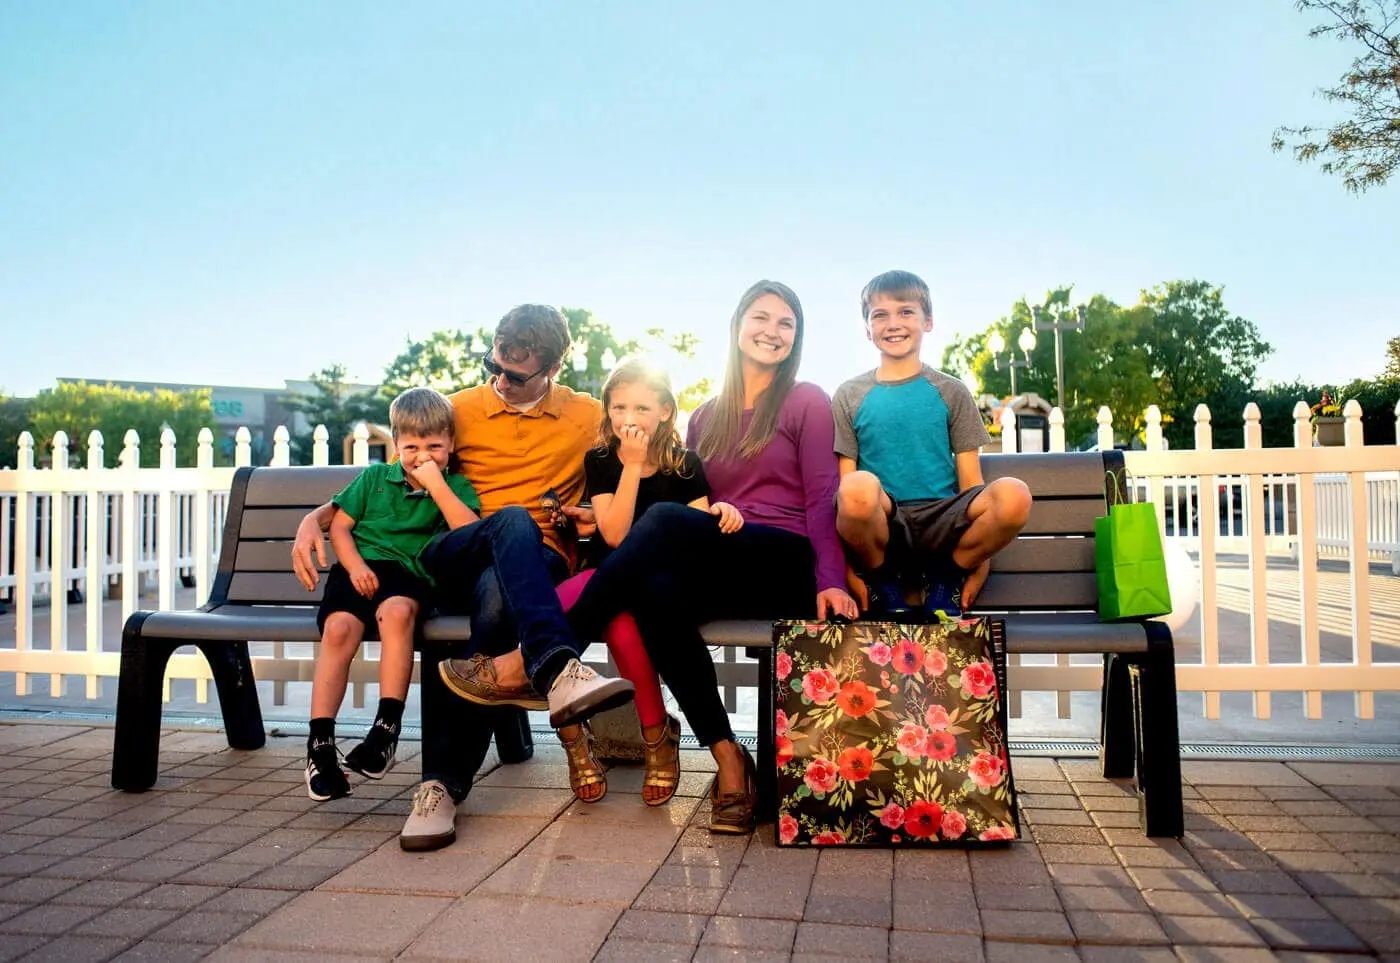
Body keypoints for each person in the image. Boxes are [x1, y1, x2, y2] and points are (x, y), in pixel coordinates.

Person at [292, 304, 622, 851]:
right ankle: (558, 666)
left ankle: (440, 786)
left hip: (537, 557)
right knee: (508, 520)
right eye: (496, 364)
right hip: (455, 548)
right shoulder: (461, 409)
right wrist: (316, 518)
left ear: (555, 367)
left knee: (497, 598)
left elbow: (650, 455)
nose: (503, 380)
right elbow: (393, 468)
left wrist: (595, 513)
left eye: (519, 375)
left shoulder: (585, 415)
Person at [556, 280, 859, 834]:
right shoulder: (707, 416)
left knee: (665, 522)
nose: (772, 331)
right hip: (722, 552)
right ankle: (728, 762)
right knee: (653, 597)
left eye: (785, 323)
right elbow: (686, 499)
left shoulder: (805, 400)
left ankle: (553, 653)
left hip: (784, 559)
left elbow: (822, 496)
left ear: (797, 336)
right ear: (737, 326)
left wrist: (830, 578)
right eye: (761, 318)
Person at [440, 357, 743, 806]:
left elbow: (692, 535)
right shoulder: (601, 460)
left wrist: (723, 511)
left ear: (664, 411)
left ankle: (656, 735)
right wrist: (630, 469)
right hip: (602, 575)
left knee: (621, 626)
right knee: (549, 611)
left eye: (641, 408)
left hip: (653, 587)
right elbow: (614, 534)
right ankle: (574, 741)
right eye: (618, 408)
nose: (628, 419)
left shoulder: (685, 465)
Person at [304, 388, 480, 801]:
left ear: (451, 444)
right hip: (358, 569)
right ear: (396, 446)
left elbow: (470, 534)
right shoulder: (374, 478)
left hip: (409, 573)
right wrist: (356, 566)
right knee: (339, 629)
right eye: (412, 447)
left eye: (435, 446)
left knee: (398, 613)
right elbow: (342, 527)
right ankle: (320, 745)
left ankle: (385, 730)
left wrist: (437, 486)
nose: (424, 456)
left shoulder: (455, 486)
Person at [833, 269, 1032, 617]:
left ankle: (947, 577)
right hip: (886, 521)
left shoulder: (951, 391)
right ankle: (883, 583)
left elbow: (971, 483)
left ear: (928, 322)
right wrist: (846, 569)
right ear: (868, 330)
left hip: (943, 520)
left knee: (1015, 495)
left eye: (906, 311)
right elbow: (844, 491)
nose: (893, 323)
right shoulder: (849, 395)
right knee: (856, 488)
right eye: (880, 315)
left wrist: (980, 562)